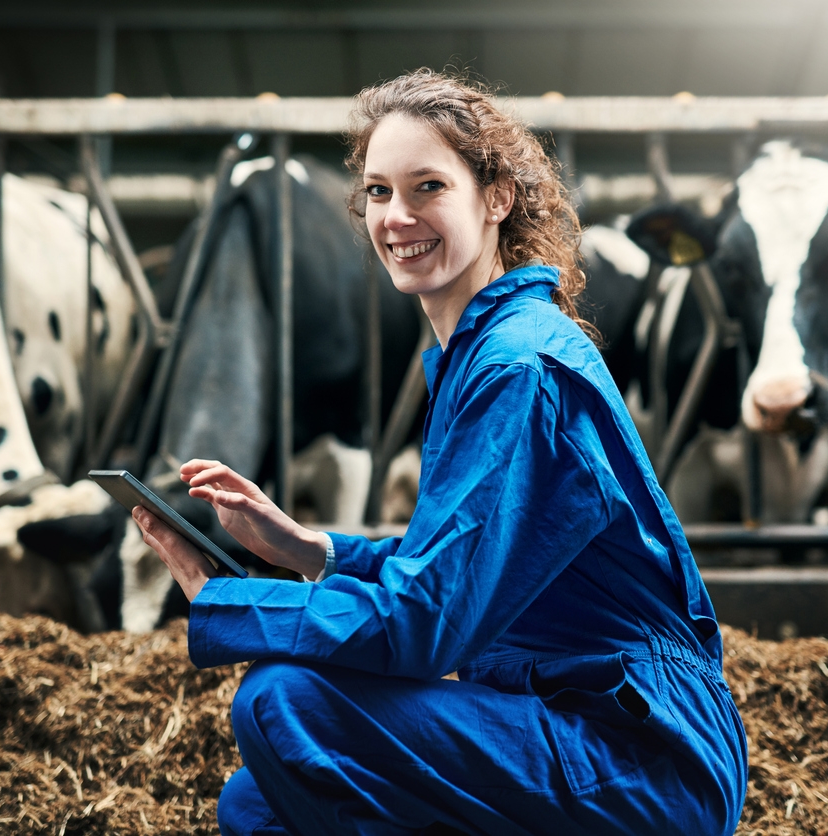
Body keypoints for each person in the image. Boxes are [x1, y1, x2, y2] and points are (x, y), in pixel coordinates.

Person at [133, 69, 748, 836]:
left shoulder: (516, 367)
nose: (398, 216)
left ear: (496, 198)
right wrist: (311, 549)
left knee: (281, 701)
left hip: (645, 756)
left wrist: (227, 600)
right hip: (569, 724)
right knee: (254, 808)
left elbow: (424, 626)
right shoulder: (481, 355)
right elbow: (460, 564)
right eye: (380, 193)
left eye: (428, 187)